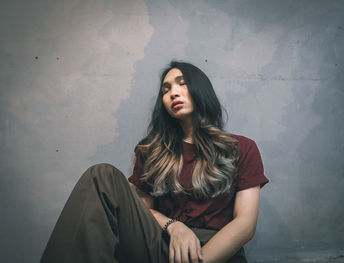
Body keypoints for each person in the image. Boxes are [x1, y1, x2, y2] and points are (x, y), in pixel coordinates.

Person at [40, 61, 269, 263]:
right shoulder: (152, 151)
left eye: (182, 83)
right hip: (162, 246)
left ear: (201, 90)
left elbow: (245, 224)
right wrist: (175, 227)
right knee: (101, 175)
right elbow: (145, 211)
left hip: (217, 252)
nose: (172, 93)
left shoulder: (241, 147)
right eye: (166, 89)